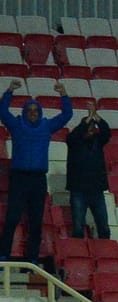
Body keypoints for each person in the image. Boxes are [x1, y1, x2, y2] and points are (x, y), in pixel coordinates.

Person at [0, 80, 72, 263]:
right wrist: (9, 91)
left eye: (36, 111)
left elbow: (67, 114)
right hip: (19, 178)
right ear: (24, 112)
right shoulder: (16, 125)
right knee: (12, 219)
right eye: (30, 110)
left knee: (36, 221)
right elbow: (2, 112)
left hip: (38, 179)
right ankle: (3, 255)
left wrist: (63, 94)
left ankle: (32, 258)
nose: (33, 113)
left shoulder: (46, 126)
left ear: (40, 113)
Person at [65, 97, 111, 238]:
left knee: (104, 228)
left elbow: (106, 132)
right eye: (89, 127)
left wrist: (95, 116)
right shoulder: (74, 142)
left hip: (96, 190)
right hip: (78, 191)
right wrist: (88, 118)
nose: (91, 130)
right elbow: (76, 133)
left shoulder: (98, 141)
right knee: (78, 228)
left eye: (93, 127)